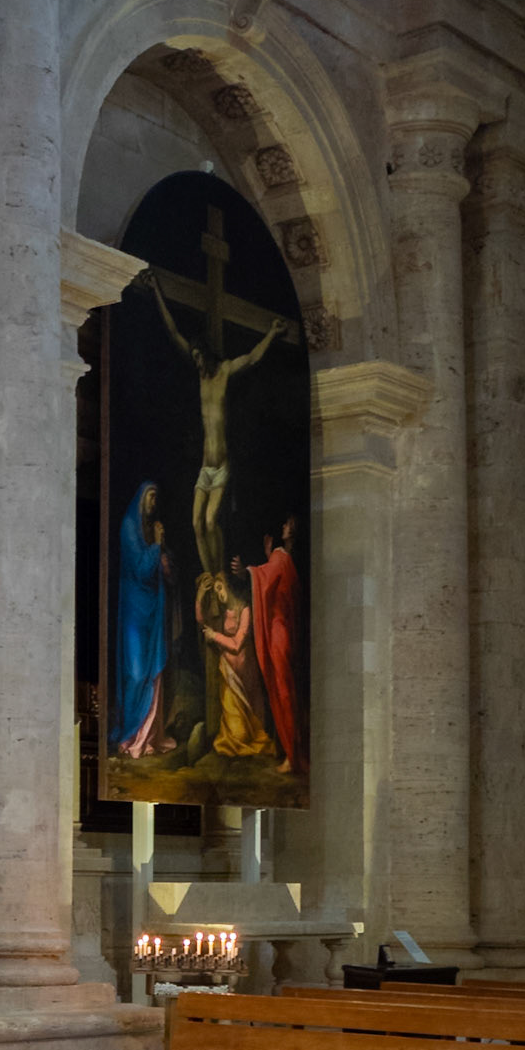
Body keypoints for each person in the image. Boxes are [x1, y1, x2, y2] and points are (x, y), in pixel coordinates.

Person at [144, 274, 286, 576]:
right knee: (196, 525)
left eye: (199, 357)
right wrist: (157, 290)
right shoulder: (200, 377)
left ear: (207, 354)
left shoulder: (223, 372)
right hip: (204, 469)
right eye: (193, 359)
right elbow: (173, 332)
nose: (197, 363)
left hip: (221, 466)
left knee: (210, 521)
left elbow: (251, 359)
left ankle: (219, 573)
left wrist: (272, 334)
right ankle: (209, 578)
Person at [232, 514, 305, 773]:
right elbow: (272, 580)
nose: (284, 526)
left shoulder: (282, 558)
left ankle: (292, 757)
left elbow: (266, 577)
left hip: (278, 632)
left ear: (292, 531)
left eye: (287, 525)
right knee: (283, 691)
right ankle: (290, 751)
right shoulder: (286, 561)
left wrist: (247, 572)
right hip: (282, 631)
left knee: (282, 690)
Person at [112, 481, 178, 758]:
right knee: (137, 672)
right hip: (134, 611)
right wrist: (157, 547)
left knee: (153, 673)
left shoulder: (153, 530)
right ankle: (130, 735)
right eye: (150, 497)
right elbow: (140, 569)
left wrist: (165, 557)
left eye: (156, 497)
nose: (153, 503)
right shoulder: (129, 528)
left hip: (153, 611)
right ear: (141, 500)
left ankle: (148, 737)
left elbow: (166, 571)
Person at [199, 570, 275, 759]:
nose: (219, 594)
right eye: (216, 591)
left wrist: (215, 636)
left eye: (220, 588)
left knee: (248, 734)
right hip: (228, 674)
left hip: (245, 673)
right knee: (234, 736)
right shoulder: (223, 613)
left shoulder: (245, 610)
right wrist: (200, 596)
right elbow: (202, 621)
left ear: (228, 586)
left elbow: (237, 644)